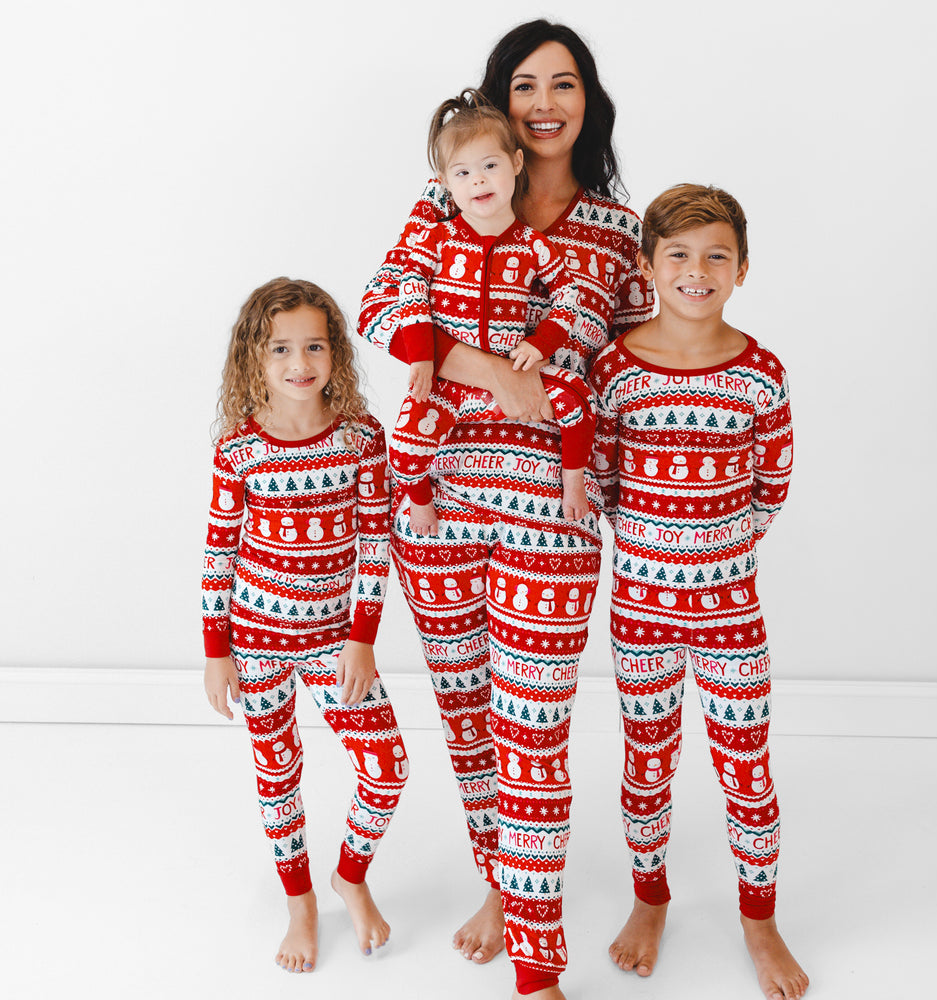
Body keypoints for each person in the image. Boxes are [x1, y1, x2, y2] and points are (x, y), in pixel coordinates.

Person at [358, 19, 652, 1000]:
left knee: (533, 732)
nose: (542, 102)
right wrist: (490, 369)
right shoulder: (445, 198)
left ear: (587, 102)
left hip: (549, 517)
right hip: (433, 510)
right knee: (469, 721)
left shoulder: (619, 231)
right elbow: (379, 306)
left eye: (562, 83)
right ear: (496, 102)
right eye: (522, 84)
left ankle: (537, 967)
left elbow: (636, 367)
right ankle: (503, 883)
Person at [589, 184, 809, 1000]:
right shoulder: (615, 369)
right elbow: (603, 477)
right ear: (646, 267)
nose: (697, 269)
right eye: (677, 254)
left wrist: (714, 552)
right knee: (647, 762)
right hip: (640, 613)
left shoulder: (760, 372)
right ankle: (652, 898)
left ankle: (760, 920)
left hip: (729, 612)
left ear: (742, 269)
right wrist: (657, 552)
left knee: (745, 769)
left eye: (717, 254)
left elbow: (772, 485)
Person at [202, 277, 408, 974]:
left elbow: (376, 543)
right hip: (255, 643)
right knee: (277, 773)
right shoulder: (240, 447)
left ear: (336, 353)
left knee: (387, 769)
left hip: (333, 644)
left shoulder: (360, 437)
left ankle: (349, 876)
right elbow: (219, 550)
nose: (300, 362)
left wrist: (361, 638)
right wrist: (215, 651)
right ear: (252, 359)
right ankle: (300, 904)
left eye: (315, 345)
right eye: (280, 348)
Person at [391, 89, 595, 534]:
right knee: (406, 446)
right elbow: (407, 291)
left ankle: (573, 484)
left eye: (490, 166)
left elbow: (569, 298)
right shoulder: (437, 239)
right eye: (463, 173)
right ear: (445, 182)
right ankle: (422, 503)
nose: (479, 182)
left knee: (579, 405)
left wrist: (540, 347)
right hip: (451, 382)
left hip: (518, 371)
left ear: (516, 165)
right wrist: (423, 354)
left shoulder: (533, 245)